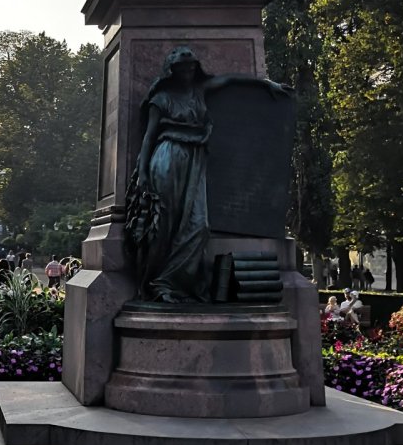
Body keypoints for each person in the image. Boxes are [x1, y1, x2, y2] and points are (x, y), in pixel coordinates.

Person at [124, 46, 291, 302]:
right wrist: (143, 171)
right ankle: (160, 285)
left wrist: (265, 83)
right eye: (183, 68)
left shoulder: (199, 91)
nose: (189, 72)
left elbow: (231, 80)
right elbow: (149, 137)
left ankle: (172, 280)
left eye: (192, 67)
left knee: (198, 226)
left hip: (196, 159)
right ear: (172, 70)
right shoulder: (161, 98)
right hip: (168, 157)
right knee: (164, 226)